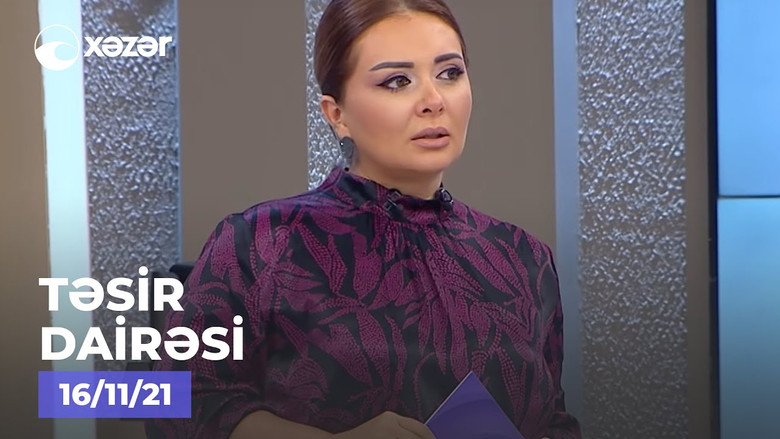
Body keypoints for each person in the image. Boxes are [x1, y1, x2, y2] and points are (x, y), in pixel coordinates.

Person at [146, 0, 581, 438]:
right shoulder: (261, 242)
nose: (433, 101)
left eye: (450, 73)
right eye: (397, 81)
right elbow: (176, 402)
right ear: (336, 114)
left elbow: (554, 421)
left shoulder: (524, 259)